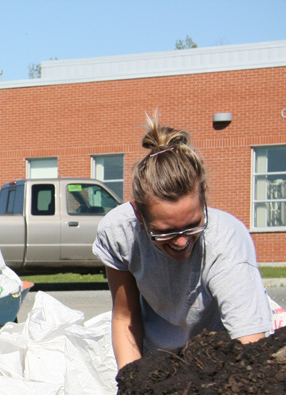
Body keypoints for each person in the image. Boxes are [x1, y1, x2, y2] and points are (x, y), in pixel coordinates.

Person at [93, 113, 272, 370]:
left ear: (204, 200)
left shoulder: (226, 240)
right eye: (165, 232)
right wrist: (131, 385)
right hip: (159, 360)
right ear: (139, 217)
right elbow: (125, 317)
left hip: (221, 360)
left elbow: (249, 344)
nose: (180, 242)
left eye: (193, 225)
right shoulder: (119, 232)